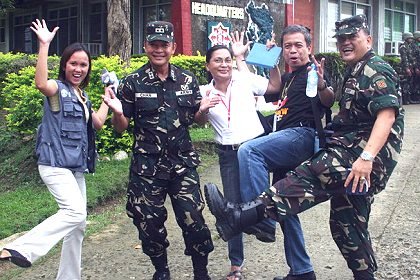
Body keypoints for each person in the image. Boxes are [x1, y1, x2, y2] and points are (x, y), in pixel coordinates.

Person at [204, 14, 404, 280]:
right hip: (344, 154)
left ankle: (253, 216)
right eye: (341, 39)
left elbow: (386, 115)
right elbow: (273, 89)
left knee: (291, 171)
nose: (345, 43)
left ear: (368, 39)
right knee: (342, 222)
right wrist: (258, 58)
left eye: (352, 38)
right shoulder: (341, 71)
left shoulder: (370, 68)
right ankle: (307, 271)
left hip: (356, 157)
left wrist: (366, 157)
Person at [0, 19, 112, 279]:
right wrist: (43, 45)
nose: (78, 68)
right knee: (73, 212)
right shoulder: (57, 90)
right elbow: (41, 83)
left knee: (78, 225)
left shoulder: (82, 96)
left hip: (75, 168)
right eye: (74, 63)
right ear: (64, 65)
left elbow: (96, 124)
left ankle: (68, 277)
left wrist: (107, 100)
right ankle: (22, 248)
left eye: (83, 65)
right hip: (54, 164)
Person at [103, 21, 213, 280]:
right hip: (147, 168)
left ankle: (201, 272)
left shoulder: (187, 79)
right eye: (154, 44)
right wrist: (118, 113)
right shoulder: (132, 83)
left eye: (164, 44)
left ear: (173, 47)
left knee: (194, 219)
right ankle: (161, 271)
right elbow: (121, 127)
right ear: (145, 46)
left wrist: (204, 111)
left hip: (182, 164)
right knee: (148, 222)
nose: (159, 49)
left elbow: (197, 120)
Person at [236, 24, 334, 280]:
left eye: (298, 45)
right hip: (284, 140)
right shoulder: (290, 79)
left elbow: (328, 99)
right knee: (283, 204)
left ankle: (261, 218)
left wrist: (323, 85)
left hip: (301, 136)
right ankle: (302, 270)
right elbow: (273, 87)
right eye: (287, 46)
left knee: (249, 152)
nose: (293, 51)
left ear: (309, 48)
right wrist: (270, 60)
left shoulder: (313, 73)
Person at [195, 31, 281, 280]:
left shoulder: (243, 79)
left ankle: (266, 227)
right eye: (218, 60)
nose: (224, 64)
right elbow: (198, 120)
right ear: (208, 65)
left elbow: (274, 87)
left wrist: (272, 61)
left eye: (227, 59)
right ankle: (236, 265)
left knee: (259, 198)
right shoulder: (204, 92)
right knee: (230, 209)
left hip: (253, 150)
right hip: (228, 154)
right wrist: (202, 109)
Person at [398, 32, 417, 104]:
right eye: (410, 38)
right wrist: (407, 68)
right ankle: (405, 100)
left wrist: (412, 67)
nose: (411, 40)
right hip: (404, 69)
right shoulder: (403, 47)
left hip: (409, 67)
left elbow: (411, 58)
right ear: (406, 38)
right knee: (405, 83)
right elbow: (404, 59)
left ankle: (408, 99)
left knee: (409, 83)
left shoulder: (409, 46)